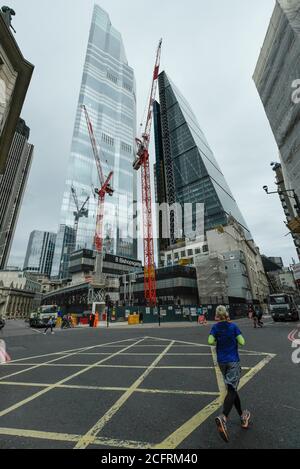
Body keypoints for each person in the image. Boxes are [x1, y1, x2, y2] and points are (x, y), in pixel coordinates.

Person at [208, 305, 251, 443]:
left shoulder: (215, 328)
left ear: (216, 315)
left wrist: (217, 338)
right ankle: (224, 417)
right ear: (226, 314)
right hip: (233, 361)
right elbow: (243, 342)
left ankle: (242, 415)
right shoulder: (233, 327)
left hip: (221, 362)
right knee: (232, 389)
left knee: (232, 388)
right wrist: (235, 338)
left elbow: (210, 341)